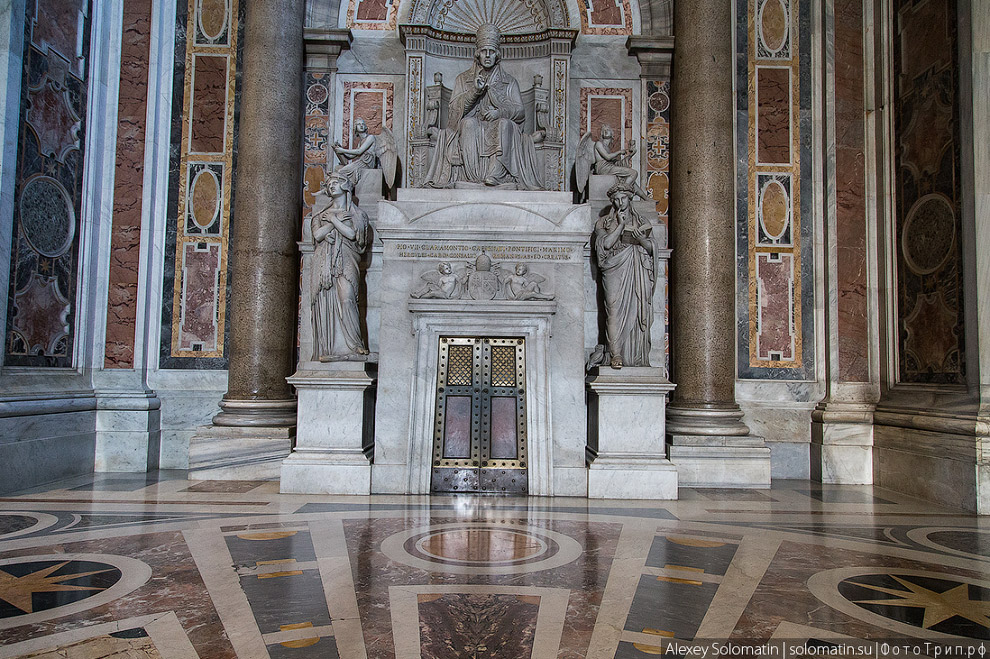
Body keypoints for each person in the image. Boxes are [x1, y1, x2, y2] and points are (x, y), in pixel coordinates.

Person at [424, 23, 543, 190]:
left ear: (497, 55)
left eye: (491, 52)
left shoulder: (509, 82)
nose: (487, 55)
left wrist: (499, 112)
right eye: (484, 51)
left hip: (499, 125)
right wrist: (474, 91)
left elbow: (520, 111)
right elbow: (454, 114)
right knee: (468, 124)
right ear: (477, 54)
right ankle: (474, 177)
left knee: (505, 124)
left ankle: (496, 173)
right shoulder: (462, 79)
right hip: (474, 126)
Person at [593, 182, 663, 368]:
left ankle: (636, 356)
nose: (619, 203)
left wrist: (641, 239)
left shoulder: (641, 222)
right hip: (614, 268)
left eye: (622, 198)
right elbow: (605, 244)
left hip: (637, 266)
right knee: (614, 311)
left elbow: (651, 247)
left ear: (629, 199)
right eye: (615, 200)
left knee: (639, 308)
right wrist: (621, 225)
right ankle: (615, 354)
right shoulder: (603, 222)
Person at [311, 172, 370, 361]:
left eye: (336, 182)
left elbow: (353, 235)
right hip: (324, 263)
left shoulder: (358, 215)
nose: (331, 186)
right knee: (326, 301)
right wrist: (334, 223)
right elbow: (318, 235)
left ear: (346, 186)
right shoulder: (319, 216)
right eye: (329, 184)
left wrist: (334, 221)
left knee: (347, 298)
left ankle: (354, 344)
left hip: (346, 260)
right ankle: (329, 349)